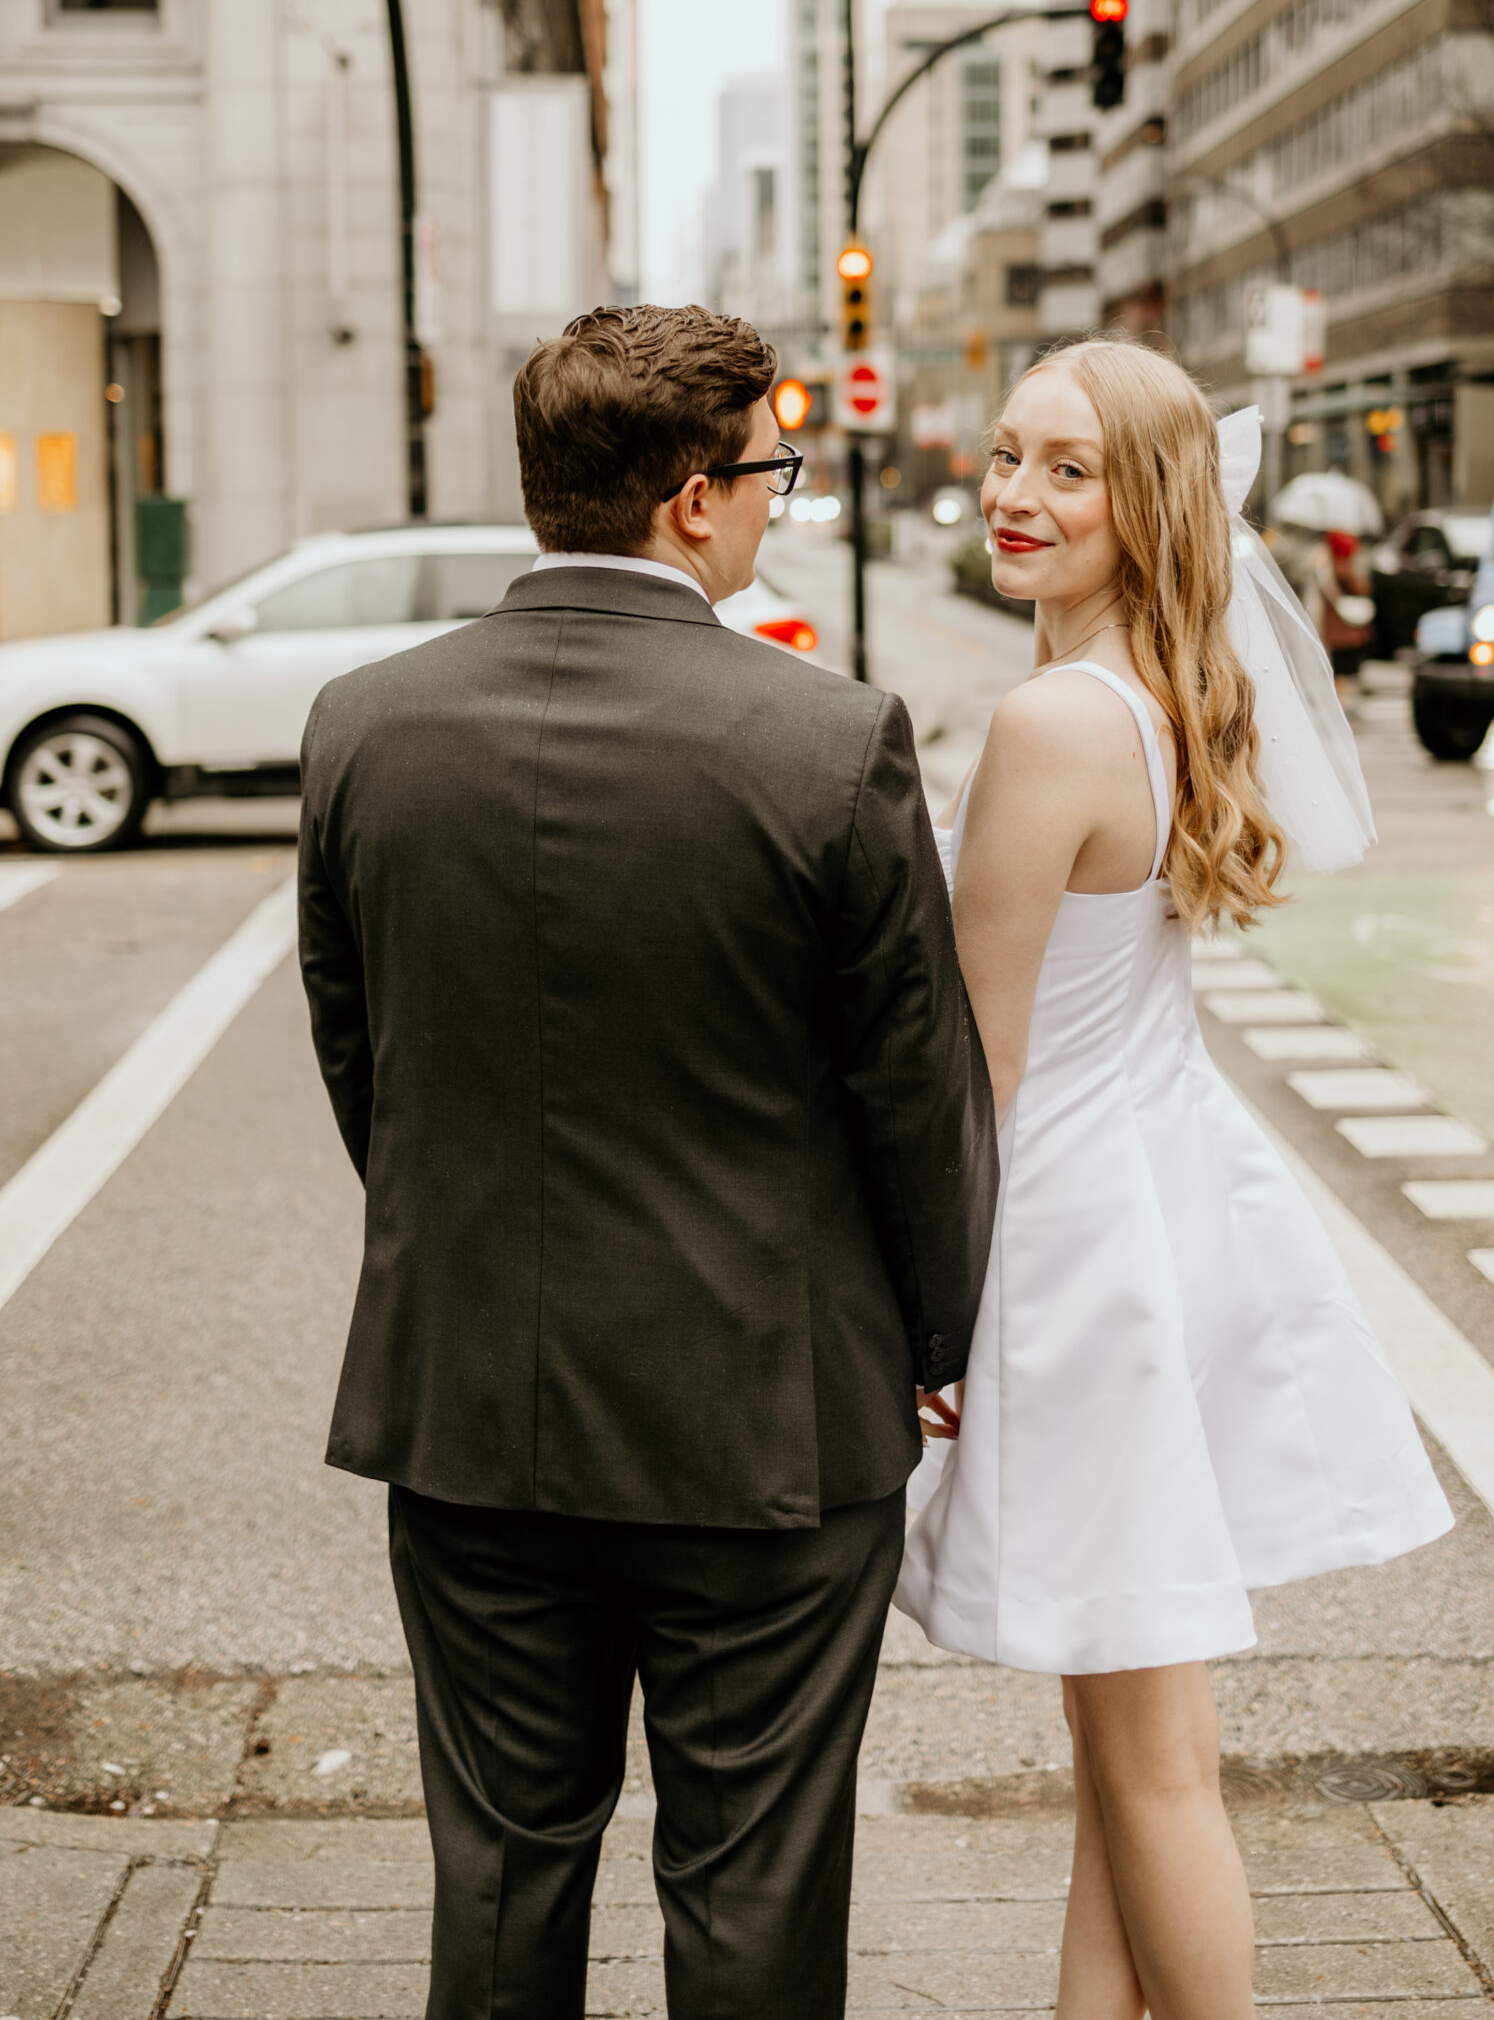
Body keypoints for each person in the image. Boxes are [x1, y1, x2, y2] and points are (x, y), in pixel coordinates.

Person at [297, 305, 999, 2020]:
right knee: (753, 1883)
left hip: (468, 1410)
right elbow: (918, 1097)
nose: (776, 500)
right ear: (694, 499)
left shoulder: (364, 726)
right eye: (770, 472)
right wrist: (935, 1347)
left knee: (500, 1871)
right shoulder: (830, 744)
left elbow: (359, 1057)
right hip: (766, 1421)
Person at [894, 341, 1451, 2020]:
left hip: (1070, 1248)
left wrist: (923, 1309)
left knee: (1149, 1763)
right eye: (1005, 456)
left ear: (1146, 505)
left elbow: (973, 1066)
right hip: (1160, 1202)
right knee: (1125, 1741)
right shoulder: (1158, 689)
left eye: (1068, 469)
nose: (1012, 494)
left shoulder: (1053, 719)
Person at [1308, 526, 1375, 694]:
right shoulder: (1342, 566)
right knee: (1343, 669)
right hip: (1343, 626)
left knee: (1338, 667)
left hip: (1334, 624)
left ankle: (1338, 697)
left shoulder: (1325, 563)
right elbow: (1360, 589)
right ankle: (1339, 701)